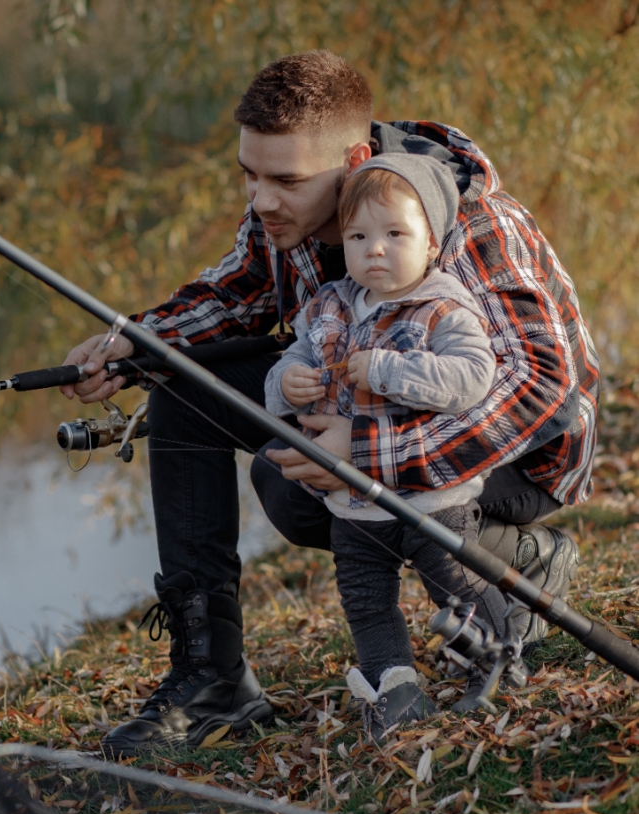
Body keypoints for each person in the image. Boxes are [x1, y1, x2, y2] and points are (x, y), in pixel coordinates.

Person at [61, 50, 596, 758]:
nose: (260, 200)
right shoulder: (287, 216)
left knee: (308, 478)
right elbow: (233, 294)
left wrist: (367, 452)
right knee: (185, 388)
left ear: (351, 158)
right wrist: (131, 345)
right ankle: (213, 682)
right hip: (368, 410)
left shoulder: (471, 223)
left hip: (519, 465)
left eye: (283, 179)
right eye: (248, 175)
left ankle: (517, 557)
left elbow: (540, 391)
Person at [265, 153, 517, 740]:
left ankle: (500, 650)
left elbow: (472, 379)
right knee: (366, 602)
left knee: (456, 584)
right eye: (358, 236)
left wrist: (386, 371)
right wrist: (285, 382)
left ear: (431, 243)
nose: (374, 249)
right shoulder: (329, 305)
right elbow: (290, 364)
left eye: (394, 234)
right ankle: (394, 685)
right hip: (352, 506)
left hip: (432, 496)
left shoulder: (443, 307)